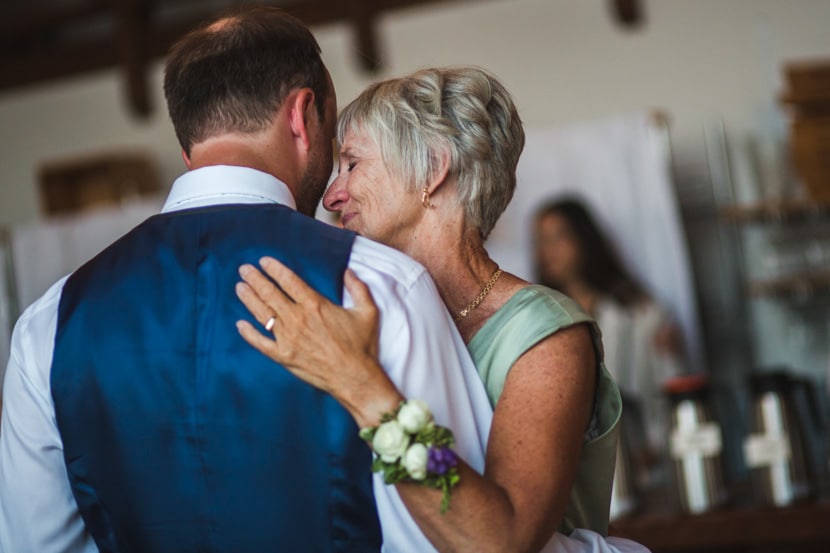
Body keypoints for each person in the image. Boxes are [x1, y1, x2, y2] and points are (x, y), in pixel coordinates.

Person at [0, 7, 494, 552]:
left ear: (188, 146)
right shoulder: (379, 285)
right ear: (303, 117)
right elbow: (452, 533)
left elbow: (34, 544)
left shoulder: (48, 324)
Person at [235, 67, 648, 552]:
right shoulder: (373, 321)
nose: (331, 195)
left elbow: (502, 541)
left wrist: (359, 385)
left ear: (432, 168)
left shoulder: (547, 337)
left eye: (351, 164)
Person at [533, 198, 687, 483]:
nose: (548, 250)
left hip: (642, 469)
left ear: (584, 239)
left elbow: (672, 386)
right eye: (541, 240)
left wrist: (655, 445)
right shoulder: (537, 321)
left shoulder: (639, 311)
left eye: (559, 236)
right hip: (573, 480)